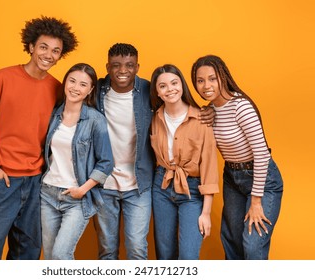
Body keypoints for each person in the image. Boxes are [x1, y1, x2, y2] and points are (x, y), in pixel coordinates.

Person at [0, 16, 78, 260]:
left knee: (27, 252)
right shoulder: (2, 79)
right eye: (44, 47)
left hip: (37, 181)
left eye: (56, 51)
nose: (49, 54)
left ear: (61, 55)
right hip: (2, 180)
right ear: (31, 47)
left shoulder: (58, 89)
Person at [191, 54, 283, 260]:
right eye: (200, 80)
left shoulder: (241, 106)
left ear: (223, 77)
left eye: (212, 78)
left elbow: (261, 153)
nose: (206, 85)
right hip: (232, 178)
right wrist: (207, 113)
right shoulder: (212, 110)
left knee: (252, 244)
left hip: (262, 179)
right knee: (231, 240)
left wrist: (256, 202)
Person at [40, 63, 114, 260]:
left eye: (83, 84)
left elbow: (106, 162)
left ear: (90, 90)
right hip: (47, 194)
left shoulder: (95, 120)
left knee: (60, 254)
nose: (75, 88)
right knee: (49, 257)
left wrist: (82, 189)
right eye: (72, 81)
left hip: (76, 198)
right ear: (65, 83)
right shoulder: (53, 115)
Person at [149, 64, 219, 260]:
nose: (170, 89)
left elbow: (209, 167)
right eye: (163, 86)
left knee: (188, 256)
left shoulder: (201, 119)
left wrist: (206, 213)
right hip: (161, 185)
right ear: (157, 92)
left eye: (174, 83)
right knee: (164, 254)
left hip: (192, 190)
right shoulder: (154, 118)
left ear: (182, 85)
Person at [92, 43, 155, 260]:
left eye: (129, 65)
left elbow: (177, 105)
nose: (122, 71)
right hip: (104, 183)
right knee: (107, 249)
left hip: (139, 183)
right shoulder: (95, 90)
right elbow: (68, 101)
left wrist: (205, 113)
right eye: (116, 65)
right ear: (107, 66)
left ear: (137, 67)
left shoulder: (150, 90)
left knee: (137, 248)